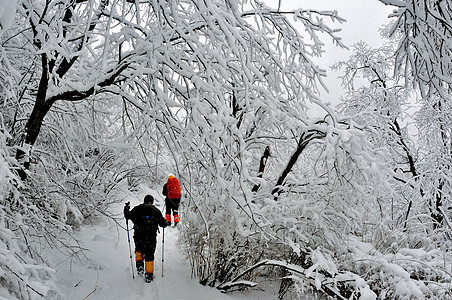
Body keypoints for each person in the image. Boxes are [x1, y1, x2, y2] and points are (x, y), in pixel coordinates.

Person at [123, 195, 167, 282]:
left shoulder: (138, 209)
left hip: (139, 235)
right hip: (151, 237)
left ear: (144, 200)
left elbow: (127, 216)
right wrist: (165, 222)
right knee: (149, 254)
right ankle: (149, 275)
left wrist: (126, 208)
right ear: (152, 201)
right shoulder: (156, 211)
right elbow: (163, 224)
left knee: (139, 249)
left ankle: (139, 267)